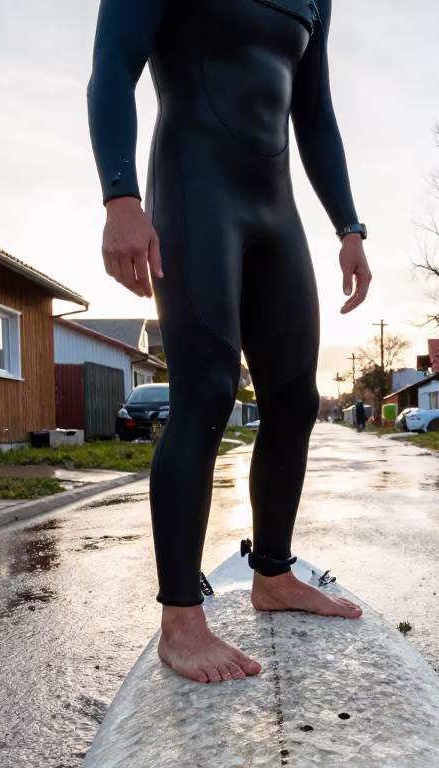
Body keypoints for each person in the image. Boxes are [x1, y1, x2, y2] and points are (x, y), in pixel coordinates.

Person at [89, 0, 371, 684]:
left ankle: (273, 575)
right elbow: (111, 69)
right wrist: (121, 197)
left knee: (294, 399)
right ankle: (181, 620)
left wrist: (349, 227)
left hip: (275, 206)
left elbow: (316, 113)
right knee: (206, 391)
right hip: (194, 184)